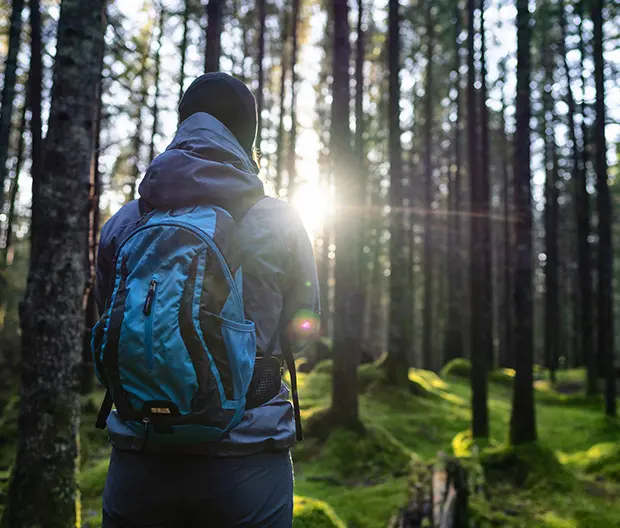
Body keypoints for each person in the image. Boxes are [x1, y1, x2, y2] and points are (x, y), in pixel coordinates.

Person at [96, 72, 320, 528]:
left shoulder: (124, 223)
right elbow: (305, 327)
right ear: (246, 138)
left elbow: (108, 319)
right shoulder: (279, 221)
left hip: (141, 455)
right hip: (248, 460)